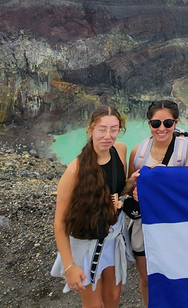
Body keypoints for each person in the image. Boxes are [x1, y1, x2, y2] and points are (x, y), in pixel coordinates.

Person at [52, 105, 137, 308]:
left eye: (114, 129)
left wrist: (130, 184)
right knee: (93, 304)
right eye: (102, 129)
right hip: (87, 243)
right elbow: (60, 223)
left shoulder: (119, 150)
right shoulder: (76, 170)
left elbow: (114, 188)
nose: (108, 136)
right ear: (90, 130)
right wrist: (69, 266)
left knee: (114, 296)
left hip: (113, 238)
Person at [127, 100, 188, 306]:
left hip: (174, 224)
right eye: (155, 123)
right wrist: (134, 191)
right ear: (148, 123)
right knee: (147, 278)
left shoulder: (185, 151)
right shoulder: (138, 153)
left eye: (168, 123)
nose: (161, 129)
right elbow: (127, 188)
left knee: (177, 273)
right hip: (145, 223)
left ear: (176, 123)